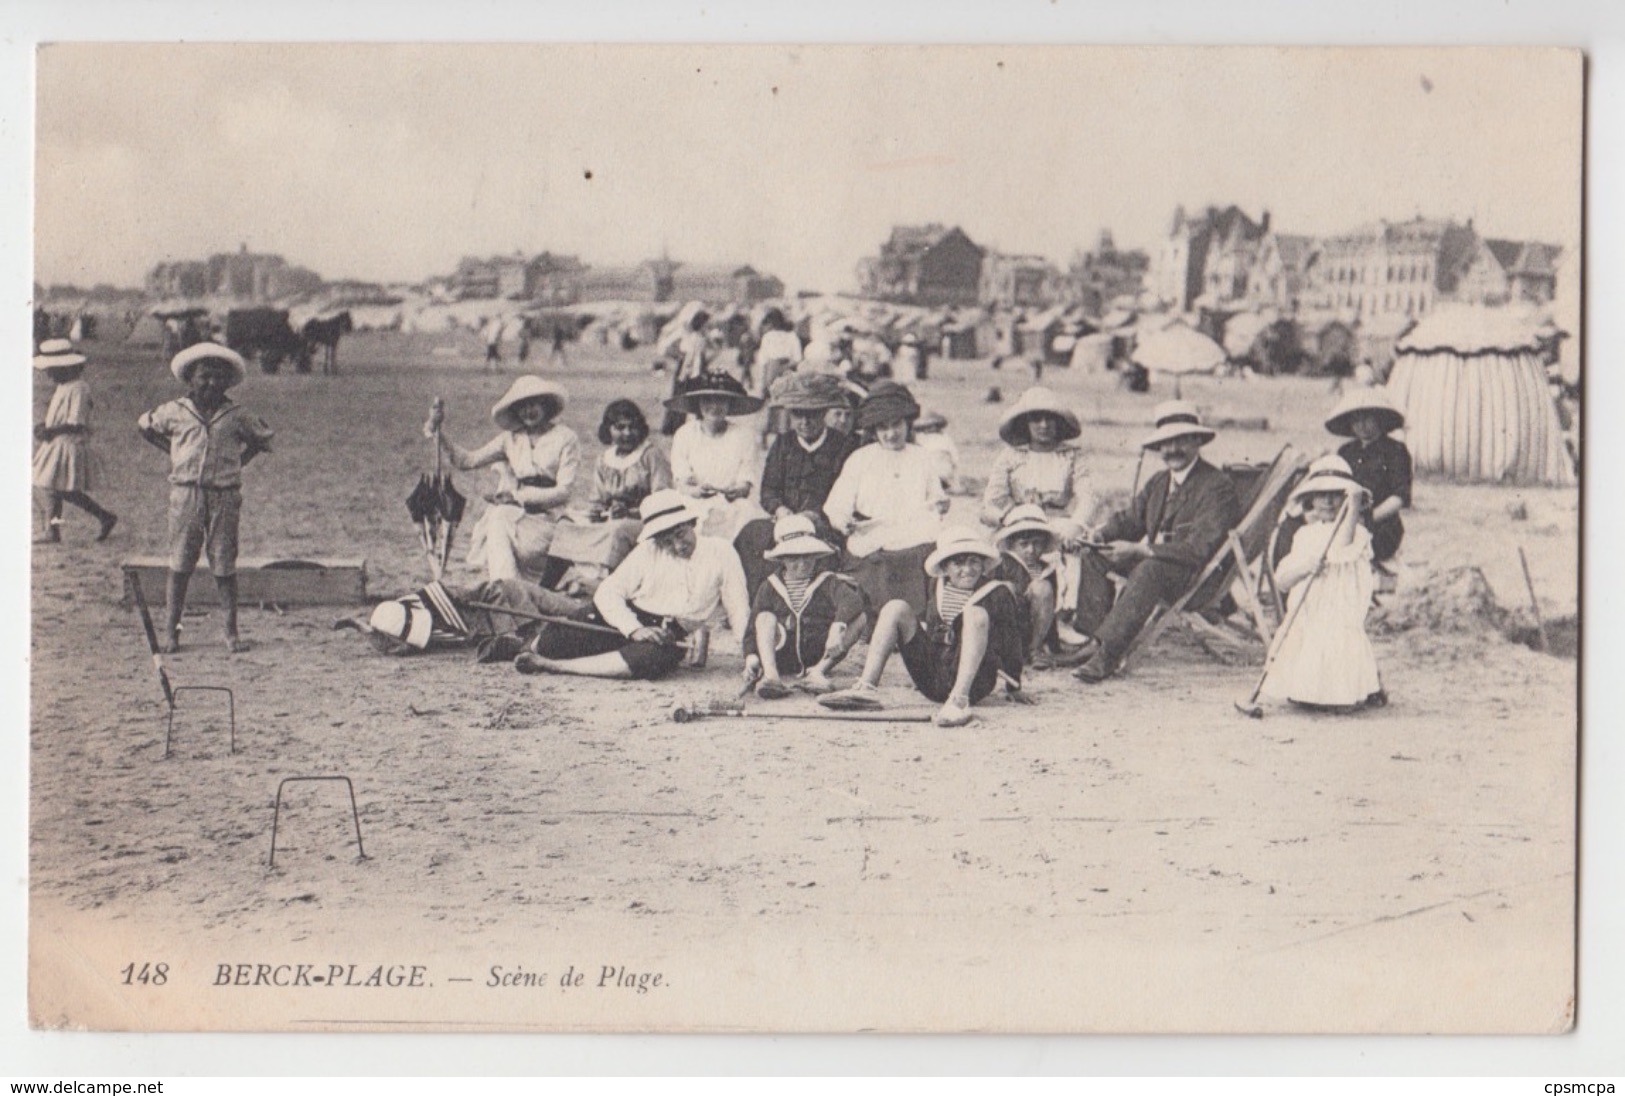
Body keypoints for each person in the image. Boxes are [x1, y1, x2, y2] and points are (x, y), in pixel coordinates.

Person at [1070, 400, 1241, 683]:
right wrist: (1101, 535)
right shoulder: (1160, 481)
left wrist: (1140, 549)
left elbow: (1200, 549)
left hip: (1197, 578)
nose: (1171, 450)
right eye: (1165, 444)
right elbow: (1130, 520)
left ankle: (1108, 654)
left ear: (1197, 440)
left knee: (1149, 567)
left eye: (1181, 442)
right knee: (1095, 555)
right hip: (1161, 567)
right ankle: (1093, 640)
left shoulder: (1216, 486)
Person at [513, 489, 751, 680]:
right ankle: (522, 648)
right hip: (625, 619)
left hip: (667, 634)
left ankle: (553, 667)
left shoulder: (722, 551)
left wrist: (751, 655)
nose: (678, 546)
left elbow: (738, 608)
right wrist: (634, 628)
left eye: (680, 534)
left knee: (647, 661)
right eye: (667, 542)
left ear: (693, 522)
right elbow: (608, 592)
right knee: (551, 642)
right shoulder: (648, 550)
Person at [136, 343, 274, 653]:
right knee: (180, 563)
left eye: (219, 378)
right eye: (204, 376)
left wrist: (238, 461)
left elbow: (264, 439)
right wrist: (171, 452)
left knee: (224, 565)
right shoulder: (175, 411)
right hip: (185, 494)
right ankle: (172, 632)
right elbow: (145, 426)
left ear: (228, 382)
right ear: (190, 379)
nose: (211, 383)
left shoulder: (237, 414)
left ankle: (230, 633)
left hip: (224, 496)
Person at [819, 527, 1028, 727]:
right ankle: (865, 688)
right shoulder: (936, 586)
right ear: (945, 568)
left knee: (975, 614)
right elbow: (929, 630)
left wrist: (1014, 685)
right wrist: (922, 662)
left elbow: (1012, 641)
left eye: (974, 562)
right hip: (934, 680)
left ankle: (958, 701)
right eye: (958, 563)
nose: (967, 570)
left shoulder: (997, 593)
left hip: (975, 682)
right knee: (896, 607)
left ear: (983, 565)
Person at [428, 376, 580, 583]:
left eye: (533, 404)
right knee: (498, 517)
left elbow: (564, 492)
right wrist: (438, 432)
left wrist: (517, 497)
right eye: (522, 406)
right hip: (516, 516)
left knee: (500, 517)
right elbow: (467, 461)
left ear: (545, 405)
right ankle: (507, 587)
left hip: (548, 518)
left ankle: (507, 588)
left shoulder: (565, 438)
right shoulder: (510, 439)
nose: (528, 411)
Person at [1260, 461, 1385, 711]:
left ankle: (1343, 694)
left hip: (1339, 612)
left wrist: (1353, 504)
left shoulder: (1357, 533)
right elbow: (1283, 580)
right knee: (1305, 641)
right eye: (1321, 495)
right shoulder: (1304, 535)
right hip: (1309, 610)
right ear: (1311, 499)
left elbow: (1341, 549)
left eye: (1336, 496)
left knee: (1335, 640)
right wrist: (1306, 567)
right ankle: (1304, 690)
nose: (1328, 502)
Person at [980, 386, 1096, 645]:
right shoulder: (1011, 457)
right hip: (1019, 521)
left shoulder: (1071, 456)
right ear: (1025, 423)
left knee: (1071, 550)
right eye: (1036, 419)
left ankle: (1062, 619)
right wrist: (1010, 518)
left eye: (1050, 419)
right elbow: (992, 500)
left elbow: (1087, 496)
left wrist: (1076, 526)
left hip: (1058, 522)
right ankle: (1010, 618)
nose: (1043, 425)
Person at [822, 380, 947, 616]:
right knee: (877, 562)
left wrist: (940, 504)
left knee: (922, 553)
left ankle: (915, 618)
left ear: (908, 424)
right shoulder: (860, 459)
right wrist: (843, 521)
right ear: (874, 430)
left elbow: (936, 497)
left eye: (896, 425)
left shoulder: (922, 457)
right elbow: (837, 504)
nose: (891, 434)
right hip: (873, 533)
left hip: (913, 531)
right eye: (883, 428)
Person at [732, 372, 859, 596]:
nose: (805, 422)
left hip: (823, 523)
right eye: (798, 415)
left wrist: (815, 515)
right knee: (752, 534)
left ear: (824, 414)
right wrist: (780, 510)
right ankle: (760, 600)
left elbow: (845, 494)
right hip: (785, 519)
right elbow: (768, 490)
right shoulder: (783, 443)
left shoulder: (842, 445)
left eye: (812, 415)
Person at [546, 399, 672, 593]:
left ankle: (607, 587)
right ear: (608, 430)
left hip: (643, 522)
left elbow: (662, 500)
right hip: (611, 518)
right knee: (566, 525)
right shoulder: (605, 459)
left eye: (633, 427)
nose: (627, 433)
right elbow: (597, 499)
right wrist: (597, 511)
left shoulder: (650, 455)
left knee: (617, 530)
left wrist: (631, 511)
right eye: (620, 428)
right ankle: (546, 587)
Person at [742, 515, 869, 699]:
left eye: (808, 557)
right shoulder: (770, 585)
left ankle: (818, 672)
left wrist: (838, 625)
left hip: (820, 651)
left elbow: (853, 601)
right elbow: (751, 630)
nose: (802, 565)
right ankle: (772, 677)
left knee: (860, 618)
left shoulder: (827, 581)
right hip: (782, 654)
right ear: (782, 559)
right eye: (794, 559)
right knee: (764, 617)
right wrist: (751, 658)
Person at [359, 577, 589, 660]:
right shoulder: (408, 627)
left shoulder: (446, 594)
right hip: (514, 624)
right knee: (571, 629)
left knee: (581, 613)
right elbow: (382, 636)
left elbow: (496, 589)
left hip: (516, 600)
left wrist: (505, 634)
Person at [32, 338, 117, 543]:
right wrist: (44, 427)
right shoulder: (64, 386)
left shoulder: (78, 387)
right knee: (51, 486)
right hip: (57, 442)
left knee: (61, 489)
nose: (49, 374)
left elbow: (76, 422)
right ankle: (54, 530)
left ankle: (103, 516)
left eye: (52, 369)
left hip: (68, 443)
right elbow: (60, 416)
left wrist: (50, 431)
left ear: (67, 367)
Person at [667, 371, 766, 542]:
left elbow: (746, 481)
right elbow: (681, 482)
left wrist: (736, 491)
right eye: (707, 400)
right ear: (698, 404)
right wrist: (696, 491)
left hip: (732, 505)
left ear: (730, 403)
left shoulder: (743, 435)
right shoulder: (685, 434)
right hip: (693, 501)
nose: (714, 406)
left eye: (721, 400)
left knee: (747, 518)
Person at [1325, 387, 1412, 566]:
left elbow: (1399, 497)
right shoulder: (1346, 452)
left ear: (1379, 419)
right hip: (1345, 521)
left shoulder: (1395, 450)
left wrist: (1368, 519)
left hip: (1381, 526)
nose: (1361, 425)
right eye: (1356, 420)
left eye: (1366, 419)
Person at [993, 504, 1071, 669]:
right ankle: (1006, 653)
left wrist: (1054, 645)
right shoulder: (1003, 563)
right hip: (1007, 630)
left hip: (1033, 631)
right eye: (1024, 544)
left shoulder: (1047, 569)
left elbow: (1050, 610)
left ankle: (1034, 649)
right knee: (1006, 588)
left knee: (1043, 587)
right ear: (1012, 544)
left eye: (1037, 544)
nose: (1031, 550)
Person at [913, 410, 965, 494]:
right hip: (931, 467)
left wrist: (954, 467)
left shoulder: (945, 438)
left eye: (931, 426)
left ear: (937, 426)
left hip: (942, 467)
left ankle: (944, 484)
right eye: (925, 427)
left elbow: (954, 455)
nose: (928, 429)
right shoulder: (921, 438)